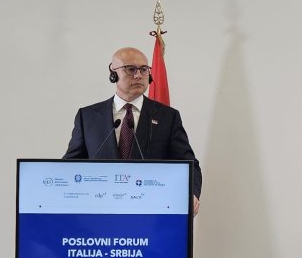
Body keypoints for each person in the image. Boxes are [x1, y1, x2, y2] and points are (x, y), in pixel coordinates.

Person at [64, 47, 202, 214]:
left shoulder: (167, 117)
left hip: (150, 212)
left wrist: (192, 193)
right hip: (99, 211)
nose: (138, 75)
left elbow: (189, 164)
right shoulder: (88, 116)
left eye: (144, 69)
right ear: (113, 73)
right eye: (130, 69)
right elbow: (70, 165)